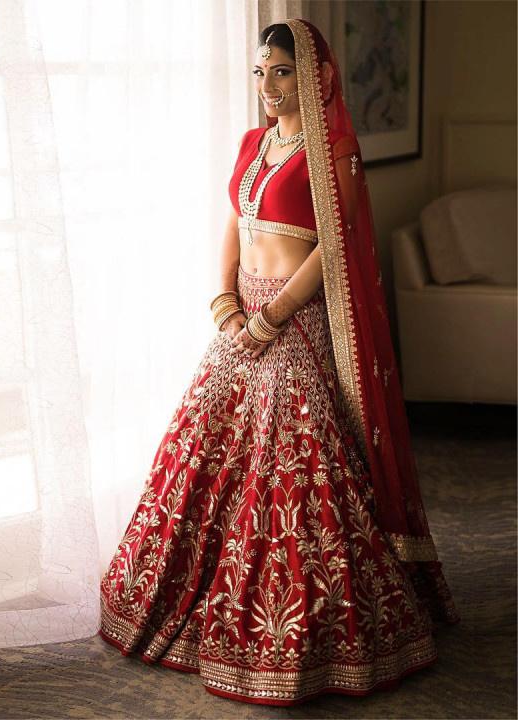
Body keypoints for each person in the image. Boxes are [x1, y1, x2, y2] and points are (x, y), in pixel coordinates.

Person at [98, 18, 460, 707]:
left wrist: (272, 317)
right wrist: (224, 304)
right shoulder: (252, 142)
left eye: (283, 72)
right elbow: (233, 225)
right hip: (240, 320)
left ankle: (306, 635)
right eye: (262, 71)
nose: (269, 85)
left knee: (292, 471)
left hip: (295, 323)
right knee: (199, 453)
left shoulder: (336, 151)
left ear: (315, 76)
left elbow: (335, 248)